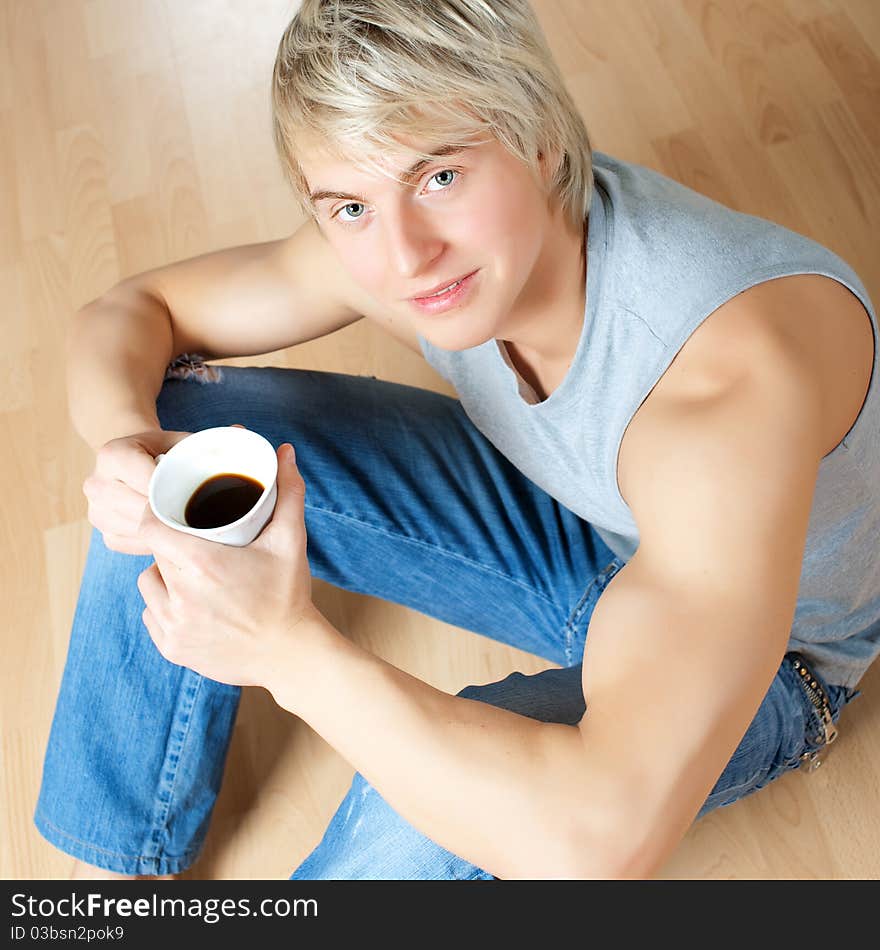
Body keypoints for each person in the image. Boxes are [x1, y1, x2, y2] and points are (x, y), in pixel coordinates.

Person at [35, 0, 877, 881]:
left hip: (774, 657)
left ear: (543, 138)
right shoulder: (410, 251)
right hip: (582, 522)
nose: (405, 258)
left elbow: (599, 838)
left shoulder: (723, 383)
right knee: (177, 449)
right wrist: (126, 441)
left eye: (440, 177)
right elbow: (133, 314)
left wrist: (286, 649)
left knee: (424, 818)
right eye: (351, 204)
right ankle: (111, 872)